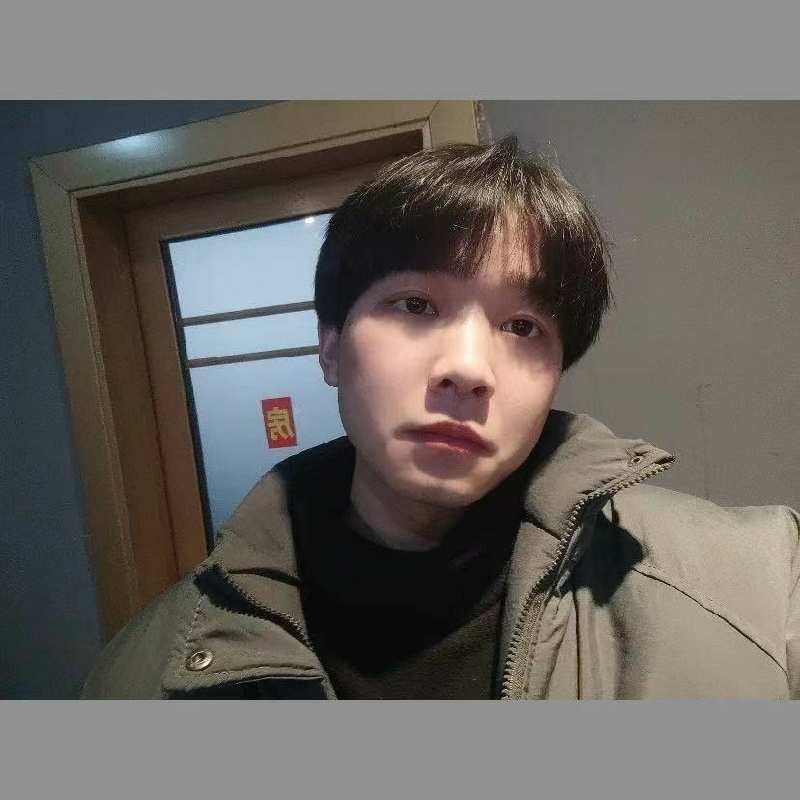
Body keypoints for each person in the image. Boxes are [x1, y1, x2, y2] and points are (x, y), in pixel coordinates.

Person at [82, 137, 799, 699]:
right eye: (416, 305)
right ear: (330, 347)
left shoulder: (763, 589)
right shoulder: (146, 676)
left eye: (522, 327)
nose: (469, 368)